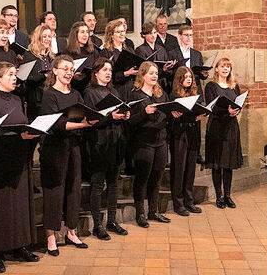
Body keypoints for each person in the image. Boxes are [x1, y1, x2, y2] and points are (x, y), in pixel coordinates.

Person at [0, 62, 40, 273]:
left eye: (15, 74)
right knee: (1, 207)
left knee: (20, 205)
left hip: (19, 157)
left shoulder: (17, 99)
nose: (15, 78)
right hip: (0, 160)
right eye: (10, 75)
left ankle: (20, 246)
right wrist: (17, 135)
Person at [40, 55, 96, 255]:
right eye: (64, 68)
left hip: (73, 146)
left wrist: (90, 121)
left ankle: (71, 231)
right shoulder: (49, 94)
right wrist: (80, 124)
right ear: (54, 71)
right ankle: (51, 236)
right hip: (54, 148)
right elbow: (55, 124)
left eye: (71, 69)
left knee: (74, 189)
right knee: (54, 191)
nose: (68, 73)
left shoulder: (76, 95)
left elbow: (83, 115)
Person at [83, 58, 130, 239]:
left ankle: (111, 221)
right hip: (99, 143)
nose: (108, 73)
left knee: (113, 184)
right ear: (96, 73)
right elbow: (91, 121)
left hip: (115, 140)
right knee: (97, 185)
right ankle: (97, 225)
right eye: (104, 70)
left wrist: (125, 115)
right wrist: (111, 116)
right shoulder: (89, 93)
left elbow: (118, 113)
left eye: (110, 70)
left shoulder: (114, 91)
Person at [128, 61, 171, 227]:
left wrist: (172, 114)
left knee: (157, 177)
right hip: (144, 141)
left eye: (156, 73)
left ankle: (154, 211)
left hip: (161, 140)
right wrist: (144, 113)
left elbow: (165, 113)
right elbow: (130, 121)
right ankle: (140, 214)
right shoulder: (135, 95)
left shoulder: (161, 93)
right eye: (151, 73)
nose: (155, 76)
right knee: (142, 178)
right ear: (143, 75)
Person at [204, 58, 243, 208]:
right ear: (217, 69)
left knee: (228, 163)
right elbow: (211, 106)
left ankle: (227, 195)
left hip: (231, 126)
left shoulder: (234, 86)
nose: (225, 69)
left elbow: (239, 103)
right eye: (222, 66)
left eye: (228, 66)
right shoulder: (211, 86)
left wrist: (235, 111)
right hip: (217, 126)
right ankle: (218, 196)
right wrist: (226, 111)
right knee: (217, 163)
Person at [169, 66, 205, 216]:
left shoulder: (194, 94)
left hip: (192, 133)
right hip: (179, 135)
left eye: (190, 77)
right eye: (185, 77)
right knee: (179, 169)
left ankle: (189, 201)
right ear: (179, 79)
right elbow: (176, 116)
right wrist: (194, 118)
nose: (189, 79)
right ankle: (178, 203)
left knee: (190, 168)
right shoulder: (174, 95)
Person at [25, 24, 56, 122]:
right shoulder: (29, 55)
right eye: (44, 36)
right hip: (37, 99)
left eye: (49, 37)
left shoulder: (52, 57)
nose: (47, 39)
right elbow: (27, 79)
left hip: (51, 97)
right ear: (38, 38)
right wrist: (44, 75)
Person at [101, 18, 138, 98]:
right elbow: (105, 75)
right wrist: (126, 73)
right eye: (118, 32)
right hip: (116, 90)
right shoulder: (106, 52)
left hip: (132, 88)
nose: (122, 34)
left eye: (123, 31)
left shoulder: (129, 50)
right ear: (111, 35)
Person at [64, 21, 97, 94]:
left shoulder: (93, 52)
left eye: (87, 32)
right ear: (75, 35)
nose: (86, 35)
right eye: (82, 32)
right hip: (74, 89)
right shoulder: (67, 53)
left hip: (91, 89)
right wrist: (73, 75)